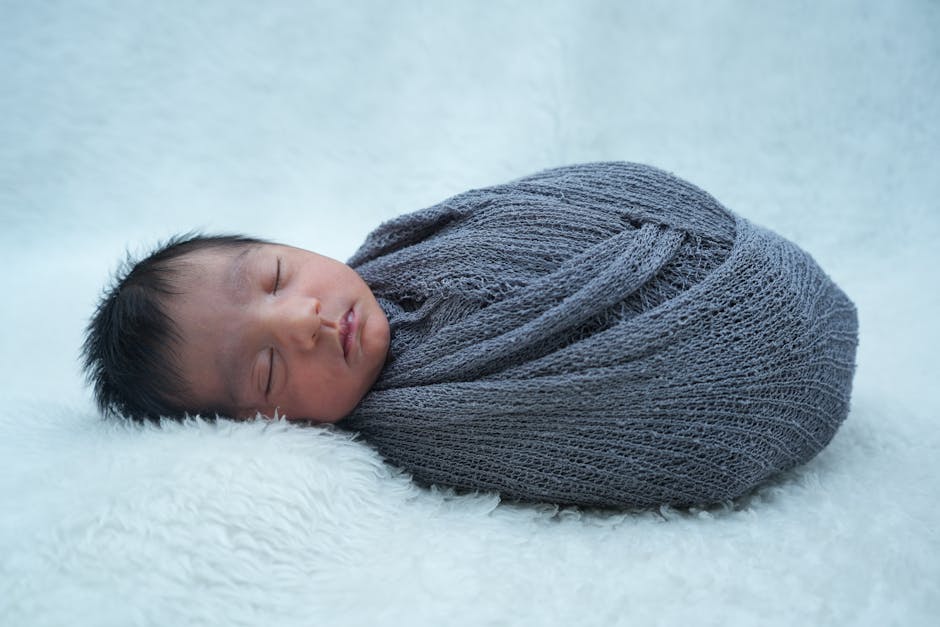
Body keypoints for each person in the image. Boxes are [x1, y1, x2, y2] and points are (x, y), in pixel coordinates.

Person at [83, 162, 859, 508]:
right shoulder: (427, 422)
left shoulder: (407, 246)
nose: (304, 322)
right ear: (266, 429)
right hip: (742, 364)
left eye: (277, 277)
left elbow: (564, 198)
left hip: (716, 244)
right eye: (264, 369)